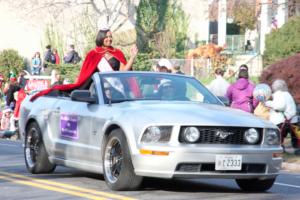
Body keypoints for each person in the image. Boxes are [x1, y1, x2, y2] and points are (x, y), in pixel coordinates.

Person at [30, 28, 138, 101]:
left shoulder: (117, 52)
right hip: (99, 90)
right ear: (101, 38)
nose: (109, 39)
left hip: (116, 90)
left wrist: (132, 57)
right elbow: (85, 74)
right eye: (107, 36)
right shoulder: (93, 54)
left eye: (110, 36)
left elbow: (124, 71)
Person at [265, 79, 298, 148]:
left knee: (278, 137)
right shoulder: (287, 94)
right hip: (291, 119)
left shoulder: (279, 94)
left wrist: (267, 103)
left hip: (282, 120)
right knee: (294, 137)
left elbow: (280, 106)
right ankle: (296, 148)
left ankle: (279, 147)